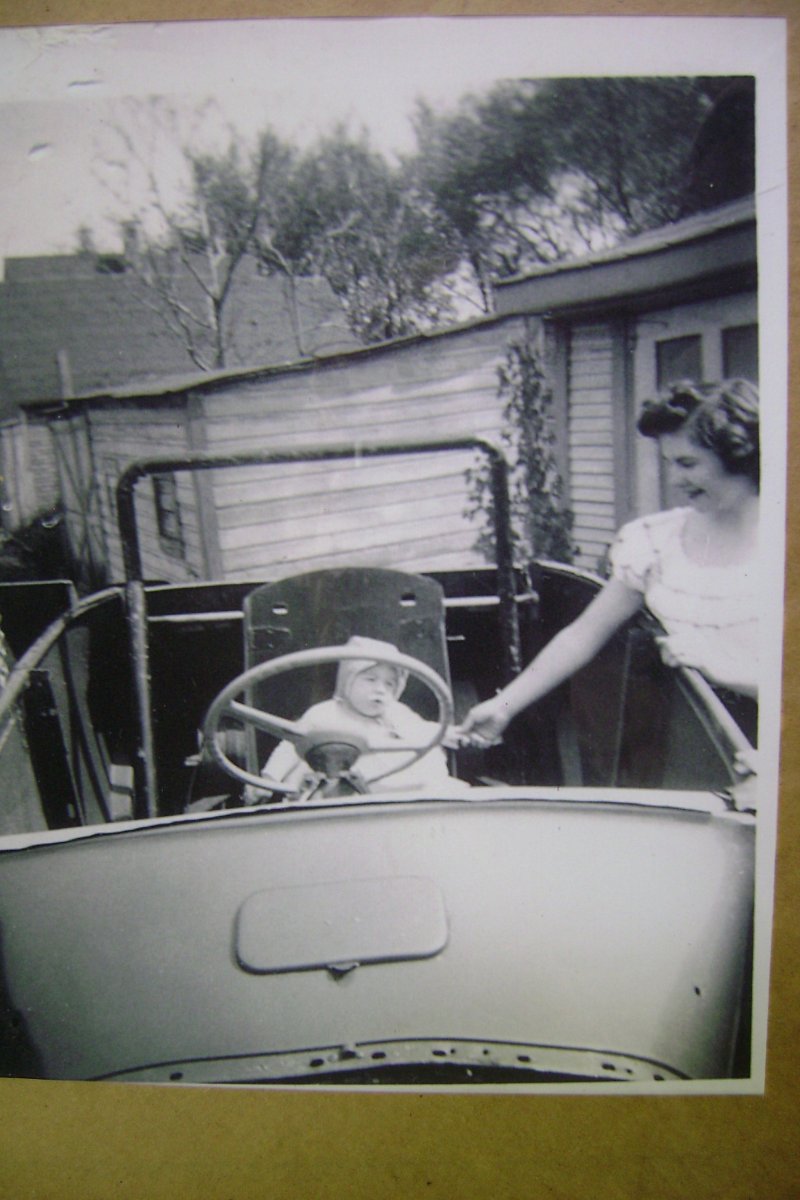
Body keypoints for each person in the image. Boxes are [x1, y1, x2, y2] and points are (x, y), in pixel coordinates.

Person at [459, 378, 760, 749]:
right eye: (669, 463)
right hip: (685, 746)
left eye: (687, 463)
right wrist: (504, 706)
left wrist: (731, 673)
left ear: (739, 454)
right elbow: (581, 637)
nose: (675, 479)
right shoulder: (656, 540)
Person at [260, 634, 453, 795]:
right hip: (337, 791)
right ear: (348, 681)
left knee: (431, 760)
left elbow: (423, 732)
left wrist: (451, 734)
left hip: (390, 789)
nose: (380, 690)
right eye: (370, 679)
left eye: (390, 684)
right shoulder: (324, 713)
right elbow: (289, 746)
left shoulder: (397, 713)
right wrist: (269, 778)